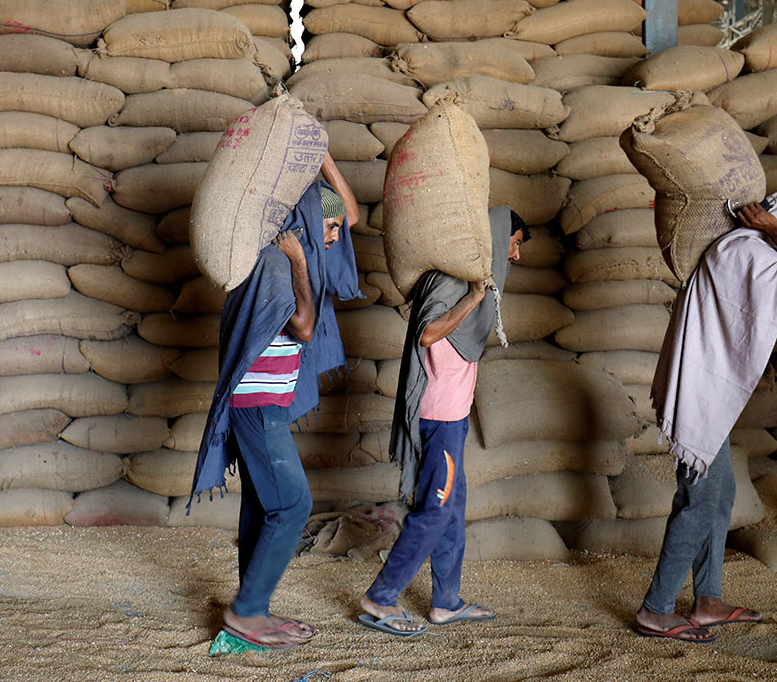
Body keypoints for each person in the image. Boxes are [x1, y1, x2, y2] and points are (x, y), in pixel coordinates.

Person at [635, 191, 777, 643]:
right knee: (699, 501)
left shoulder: (755, 258)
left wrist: (775, 237)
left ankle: (707, 600)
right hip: (700, 395)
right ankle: (655, 610)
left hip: (709, 396)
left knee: (719, 495)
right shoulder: (743, 252)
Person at [191, 153, 361, 650]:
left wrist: (323, 158)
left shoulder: (285, 255)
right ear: (308, 223)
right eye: (325, 227)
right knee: (293, 504)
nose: (334, 237)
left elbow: (348, 216)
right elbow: (304, 328)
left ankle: (253, 606)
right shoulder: (275, 263)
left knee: (263, 505)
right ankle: (246, 613)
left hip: (262, 404)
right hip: (257, 407)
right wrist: (303, 263)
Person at [357, 208, 528, 637]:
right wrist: (473, 297)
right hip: (438, 417)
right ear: (498, 236)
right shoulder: (454, 284)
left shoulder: (466, 280)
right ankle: (380, 597)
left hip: (452, 416)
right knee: (434, 511)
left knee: (452, 510)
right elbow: (428, 334)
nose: (516, 254)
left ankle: (446, 603)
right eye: (516, 241)